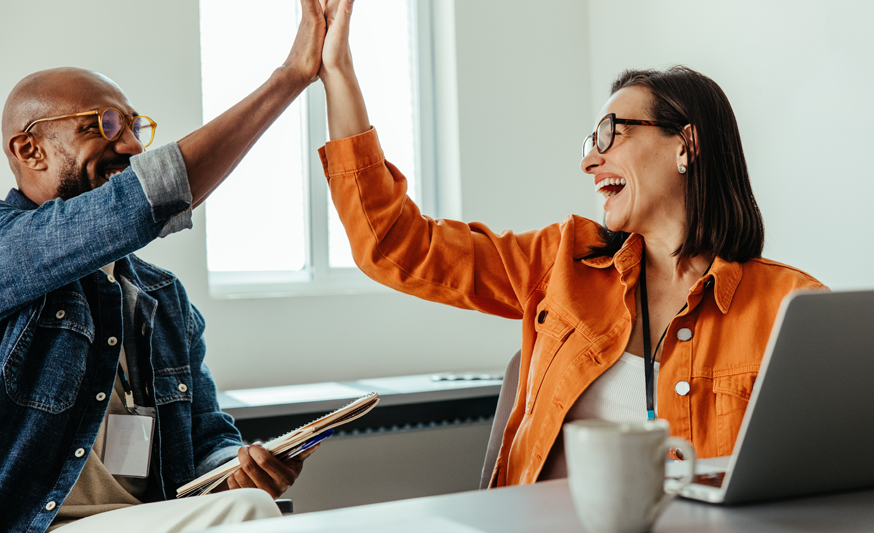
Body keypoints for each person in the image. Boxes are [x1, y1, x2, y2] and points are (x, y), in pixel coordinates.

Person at [315, 0, 826, 487]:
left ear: (686, 145)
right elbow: (395, 246)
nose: (589, 161)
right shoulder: (561, 263)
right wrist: (338, 72)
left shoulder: (793, 308)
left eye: (610, 134)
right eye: (590, 144)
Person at [0, 2, 328, 531]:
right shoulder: (6, 248)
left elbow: (208, 439)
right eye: (103, 125)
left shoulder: (162, 297)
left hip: (147, 519)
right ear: (29, 149)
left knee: (252, 503)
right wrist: (288, 79)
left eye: (133, 126)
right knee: (253, 515)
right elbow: (137, 205)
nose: (129, 145)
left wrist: (240, 470)